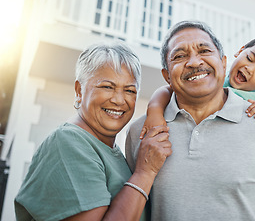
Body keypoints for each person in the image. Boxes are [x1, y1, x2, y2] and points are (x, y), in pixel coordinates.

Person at [126, 20, 255, 220]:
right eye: (179, 56)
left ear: (222, 62)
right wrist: (154, 111)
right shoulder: (140, 132)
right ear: (167, 75)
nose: (195, 62)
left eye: (204, 51)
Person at [14, 40, 172, 221]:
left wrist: (155, 108)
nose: (119, 100)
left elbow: (173, 87)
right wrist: (145, 172)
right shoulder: (68, 142)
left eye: (129, 90)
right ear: (79, 90)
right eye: (107, 87)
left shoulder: (110, 151)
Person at [140, 33, 255, 142]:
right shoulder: (216, 77)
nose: (250, 69)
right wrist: (154, 111)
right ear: (240, 51)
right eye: (249, 58)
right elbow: (167, 89)